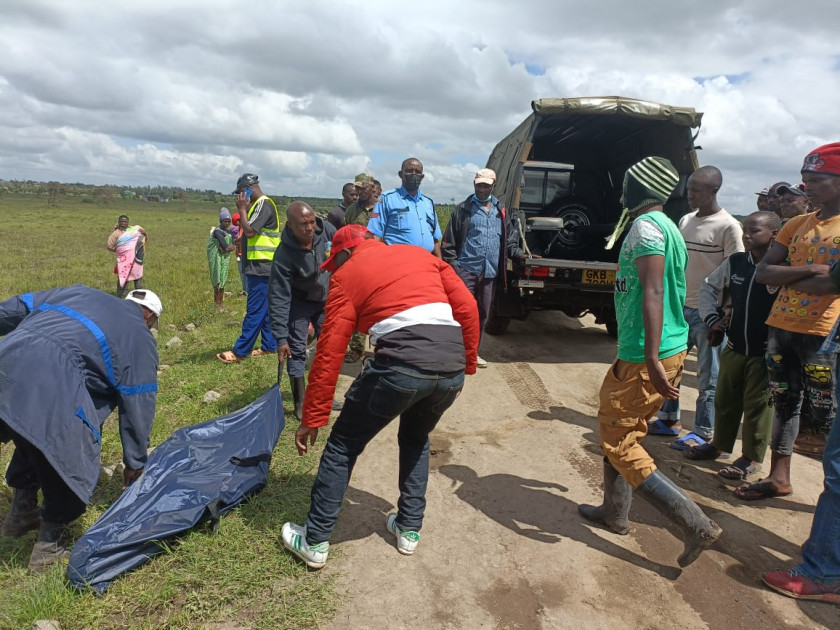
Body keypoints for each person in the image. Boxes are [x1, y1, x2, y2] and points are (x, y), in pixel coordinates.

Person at [279, 224, 479, 569]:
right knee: (416, 438)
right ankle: (408, 529)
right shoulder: (423, 256)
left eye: (334, 263)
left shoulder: (348, 273)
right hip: (450, 369)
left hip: (400, 367)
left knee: (343, 445)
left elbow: (329, 352)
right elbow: (468, 309)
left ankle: (314, 540)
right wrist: (466, 366)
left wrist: (312, 418)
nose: (334, 271)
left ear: (343, 253)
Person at [577, 156, 721, 568]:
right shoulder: (667, 224)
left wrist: (653, 357)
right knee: (617, 425)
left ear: (640, 190)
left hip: (646, 352)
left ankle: (695, 525)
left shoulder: (645, 227)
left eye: (627, 184)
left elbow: (654, 290)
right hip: (648, 348)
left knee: (620, 442)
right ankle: (614, 512)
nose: (622, 191)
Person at [0, 285, 161, 571]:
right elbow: (138, 404)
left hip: (6, 357)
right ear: (148, 317)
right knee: (69, 453)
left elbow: (15, 308)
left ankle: (21, 514)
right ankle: (48, 546)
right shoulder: (139, 336)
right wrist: (135, 464)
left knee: (31, 431)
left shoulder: (78, 292)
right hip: (52, 377)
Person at [743, 143, 840, 500]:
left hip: (824, 335)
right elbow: (763, 272)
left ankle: (830, 498)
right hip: (781, 328)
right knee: (784, 403)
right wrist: (812, 269)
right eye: (805, 179)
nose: (808, 187)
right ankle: (779, 477)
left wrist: (789, 275)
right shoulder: (796, 224)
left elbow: (833, 284)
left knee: (825, 416)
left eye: (816, 179)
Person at [685, 211, 781, 481]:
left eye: (754, 231)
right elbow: (708, 287)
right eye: (745, 230)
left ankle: (751, 458)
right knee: (726, 400)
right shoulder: (737, 262)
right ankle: (719, 444)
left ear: (774, 235)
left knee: (758, 407)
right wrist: (712, 318)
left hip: (765, 352)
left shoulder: (781, 266)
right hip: (735, 346)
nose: (747, 236)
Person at [651, 165, 744, 441]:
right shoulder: (685, 220)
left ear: (714, 190)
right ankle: (668, 419)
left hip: (707, 313)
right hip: (679, 308)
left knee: (709, 377)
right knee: (672, 367)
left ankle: (703, 431)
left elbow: (734, 272)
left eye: (696, 190)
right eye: (688, 188)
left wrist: (723, 314)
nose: (689, 194)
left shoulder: (729, 226)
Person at [441, 168, 526, 367]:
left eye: (486, 185)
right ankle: (454, 352)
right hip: (466, 271)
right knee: (462, 312)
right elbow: (449, 243)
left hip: (489, 274)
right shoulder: (463, 209)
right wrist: (454, 268)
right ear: (474, 184)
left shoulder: (500, 211)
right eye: (479, 185)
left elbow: (510, 241)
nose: (482, 189)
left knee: (482, 314)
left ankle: (472, 353)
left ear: (493, 186)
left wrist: (521, 254)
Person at [268, 201, 336, 419]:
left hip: (325, 298)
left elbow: (345, 248)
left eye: (311, 222)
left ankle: (323, 396)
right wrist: (280, 337)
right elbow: (279, 296)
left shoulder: (325, 230)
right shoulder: (284, 255)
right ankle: (300, 402)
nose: (309, 228)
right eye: (303, 224)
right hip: (299, 303)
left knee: (328, 347)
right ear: (290, 225)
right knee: (296, 350)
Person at [217, 174, 280, 363]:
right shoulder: (259, 205)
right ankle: (269, 346)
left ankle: (241, 351)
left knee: (255, 310)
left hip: (262, 266)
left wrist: (242, 209)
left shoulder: (263, 204)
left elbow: (251, 232)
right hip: (263, 266)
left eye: (241, 193)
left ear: (249, 188)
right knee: (266, 309)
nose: (240, 197)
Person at [367, 157, 443, 258]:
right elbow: (375, 235)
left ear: (422, 176)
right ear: (400, 174)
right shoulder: (386, 199)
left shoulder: (428, 203)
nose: (414, 174)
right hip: (399, 262)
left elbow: (434, 239)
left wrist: (440, 264)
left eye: (417, 172)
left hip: (426, 261)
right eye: (409, 171)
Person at [107, 215, 147, 298]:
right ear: (119, 222)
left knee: (138, 278)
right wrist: (122, 250)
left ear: (128, 222)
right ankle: (121, 298)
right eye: (121, 221)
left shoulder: (134, 230)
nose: (123, 223)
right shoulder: (116, 233)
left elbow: (143, 238)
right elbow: (109, 246)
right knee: (123, 279)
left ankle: (139, 298)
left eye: (125, 222)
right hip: (124, 261)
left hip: (136, 259)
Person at [207, 207, 236, 311]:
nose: (227, 223)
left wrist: (228, 248)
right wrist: (228, 248)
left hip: (224, 258)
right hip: (217, 259)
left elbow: (232, 246)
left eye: (229, 221)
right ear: (221, 221)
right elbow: (227, 246)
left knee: (223, 279)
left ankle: (221, 303)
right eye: (225, 221)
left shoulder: (228, 232)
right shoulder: (217, 232)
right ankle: (217, 303)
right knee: (217, 279)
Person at [230, 212, 247, 296]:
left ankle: (247, 290)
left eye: (240, 221)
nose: (239, 223)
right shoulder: (238, 229)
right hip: (239, 253)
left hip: (245, 253)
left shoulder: (245, 228)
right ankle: (244, 289)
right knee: (241, 272)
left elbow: (241, 238)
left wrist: (235, 241)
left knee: (245, 272)